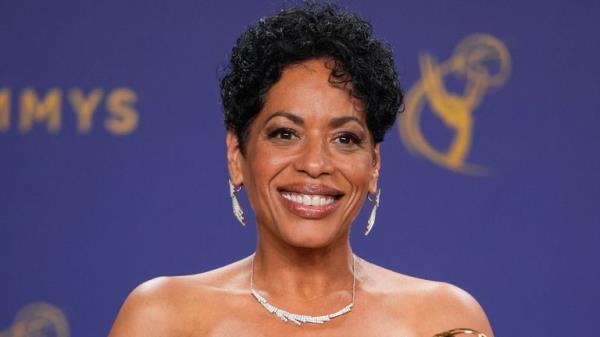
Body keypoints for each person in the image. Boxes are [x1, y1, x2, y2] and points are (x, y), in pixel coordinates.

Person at [109, 2, 494, 336]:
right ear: (236, 154)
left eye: (345, 138)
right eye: (285, 134)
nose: (314, 164)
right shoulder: (161, 319)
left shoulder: (442, 320)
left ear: (374, 164)